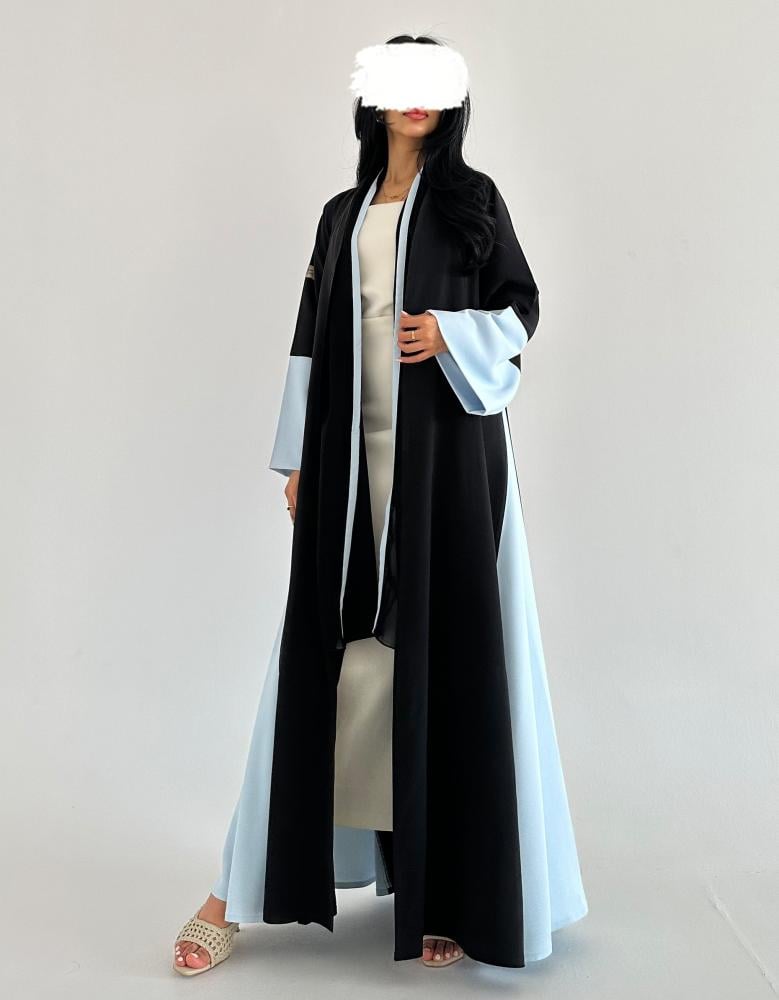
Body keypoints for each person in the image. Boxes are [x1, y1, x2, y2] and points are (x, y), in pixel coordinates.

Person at [172, 34, 588, 976]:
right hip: (346, 468)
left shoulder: (472, 203)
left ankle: (450, 894)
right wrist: (298, 460)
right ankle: (234, 887)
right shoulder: (340, 215)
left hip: (448, 470)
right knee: (319, 663)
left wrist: (448, 331)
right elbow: (309, 339)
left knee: (451, 660)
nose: (413, 99)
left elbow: (520, 310)